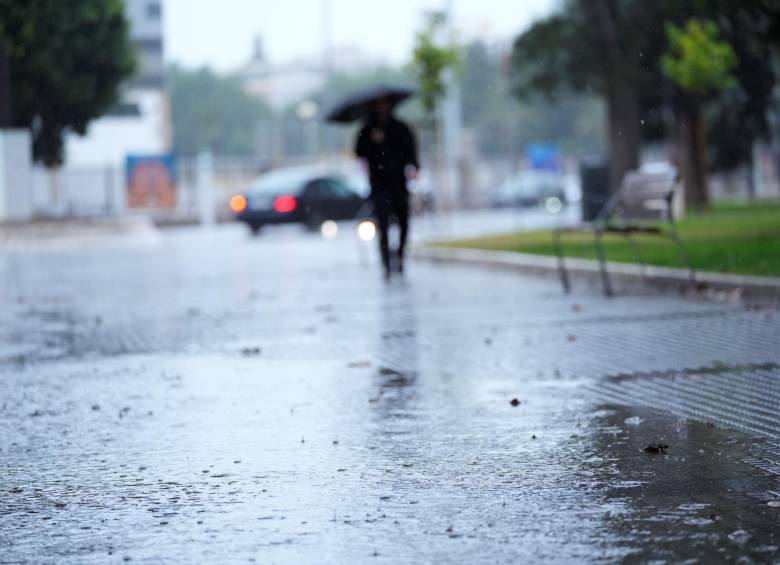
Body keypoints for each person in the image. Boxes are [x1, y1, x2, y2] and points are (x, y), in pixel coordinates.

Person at [355, 98, 419, 279]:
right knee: (382, 225)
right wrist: (372, 141)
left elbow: (410, 151)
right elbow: (359, 151)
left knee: (404, 223)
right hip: (379, 185)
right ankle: (385, 263)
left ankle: (400, 256)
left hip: (398, 183)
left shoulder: (400, 127)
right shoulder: (367, 129)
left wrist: (414, 167)